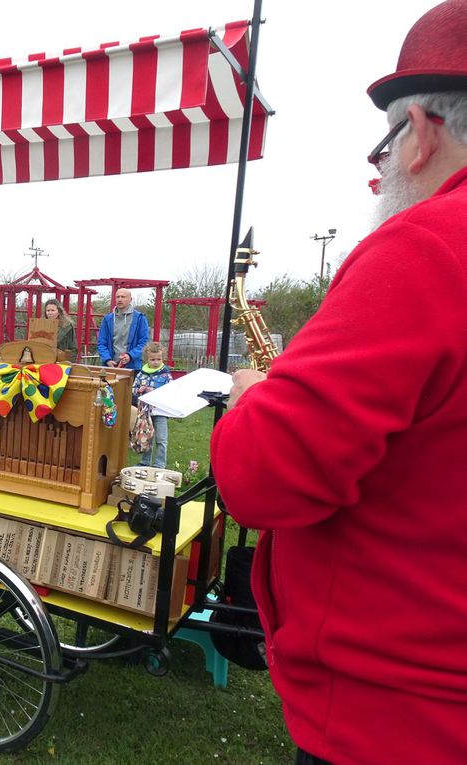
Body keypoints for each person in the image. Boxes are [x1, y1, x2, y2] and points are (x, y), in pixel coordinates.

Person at [210, 4, 467, 762]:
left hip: (399, 718)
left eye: (385, 144)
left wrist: (257, 393)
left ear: (418, 133)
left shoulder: (425, 248)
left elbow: (261, 478)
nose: (380, 169)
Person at [131, 341, 172, 468]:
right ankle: (145, 462)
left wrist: (154, 391)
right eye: (152, 359)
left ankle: (159, 464)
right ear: (146, 359)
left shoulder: (165, 374)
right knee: (146, 437)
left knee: (161, 439)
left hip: (160, 411)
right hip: (145, 412)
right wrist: (139, 390)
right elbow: (134, 388)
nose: (156, 362)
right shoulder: (141, 374)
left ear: (162, 358)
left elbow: (171, 390)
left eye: (158, 359)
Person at [97, 288, 149, 371]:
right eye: (118, 297)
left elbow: (144, 342)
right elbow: (101, 343)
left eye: (123, 297)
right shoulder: (107, 319)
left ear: (130, 299)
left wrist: (130, 355)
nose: (120, 299)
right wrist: (107, 359)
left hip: (132, 366)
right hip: (110, 366)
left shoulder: (140, 318)